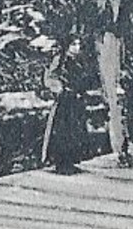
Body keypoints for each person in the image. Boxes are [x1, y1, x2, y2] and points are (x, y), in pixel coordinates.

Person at [40, 36, 93, 174]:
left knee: (75, 130)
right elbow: (50, 76)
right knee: (63, 131)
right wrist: (59, 88)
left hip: (76, 100)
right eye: (73, 44)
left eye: (79, 44)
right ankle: (61, 161)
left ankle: (71, 160)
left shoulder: (80, 61)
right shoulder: (61, 59)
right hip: (65, 100)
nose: (77, 48)